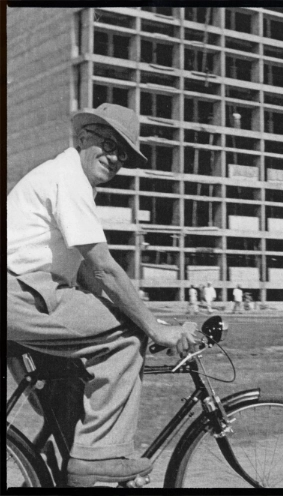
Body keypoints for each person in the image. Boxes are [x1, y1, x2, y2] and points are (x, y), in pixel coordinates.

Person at [7, 103, 203, 487]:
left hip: (27, 298)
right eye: (109, 145)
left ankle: (75, 467)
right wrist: (152, 329)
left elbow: (87, 274)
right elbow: (104, 268)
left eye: (123, 155)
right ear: (83, 138)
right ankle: (101, 456)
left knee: (71, 391)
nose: (115, 159)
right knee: (127, 338)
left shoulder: (65, 178)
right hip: (22, 293)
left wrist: (152, 320)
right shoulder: (68, 179)